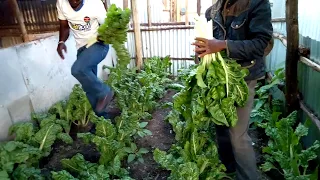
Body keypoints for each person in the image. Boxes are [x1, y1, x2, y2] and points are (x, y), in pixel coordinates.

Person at [192, 0, 274, 179]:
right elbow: (207, 43)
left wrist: (222, 45)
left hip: (244, 76)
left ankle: (249, 176)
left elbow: (261, 44)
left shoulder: (257, 3)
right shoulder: (213, 10)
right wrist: (201, 52)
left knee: (237, 134)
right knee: (220, 124)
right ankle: (228, 169)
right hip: (219, 76)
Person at [56, 0, 114, 119]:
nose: (74, 1)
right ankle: (102, 119)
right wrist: (61, 41)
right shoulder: (61, 3)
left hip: (98, 44)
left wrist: (105, 35)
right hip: (81, 48)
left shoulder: (95, 4)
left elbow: (106, 26)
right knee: (89, 88)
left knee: (78, 69)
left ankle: (105, 92)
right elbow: (64, 26)